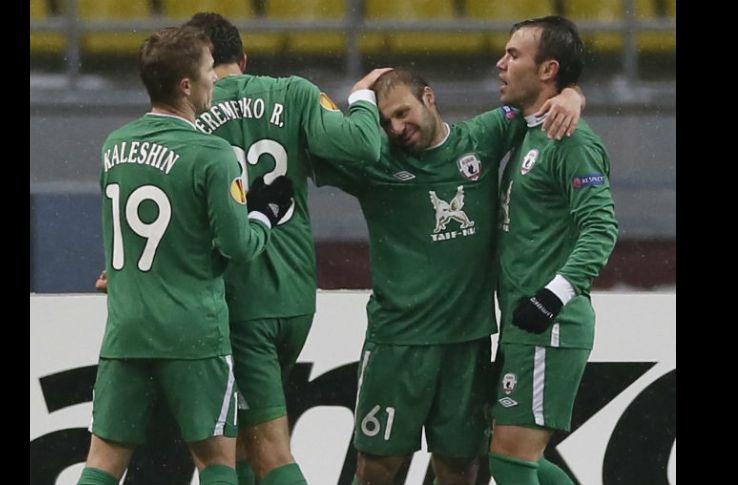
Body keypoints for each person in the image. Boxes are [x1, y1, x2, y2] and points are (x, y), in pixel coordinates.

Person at [310, 68, 584, 485]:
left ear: (429, 97)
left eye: (403, 112)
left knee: (459, 470)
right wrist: (358, 98)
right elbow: (310, 141)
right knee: (378, 470)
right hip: (398, 344)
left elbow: (537, 100)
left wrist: (572, 95)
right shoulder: (374, 160)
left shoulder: (483, 137)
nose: (397, 128)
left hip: (468, 344)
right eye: (385, 121)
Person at [77, 25, 294, 485]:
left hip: (127, 331)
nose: (214, 79)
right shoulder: (211, 153)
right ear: (186, 85)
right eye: (206, 71)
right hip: (193, 334)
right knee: (215, 460)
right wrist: (264, 215)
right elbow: (239, 246)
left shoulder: (114, 146)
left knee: (102, 462)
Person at [181, 12, 389, 485]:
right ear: (245, 58)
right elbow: (363, 146)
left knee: (264, 451)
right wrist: (360, 98)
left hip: (236, 296)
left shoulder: (187, 112)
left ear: (197, 64)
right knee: (246, 450)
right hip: (295, 294)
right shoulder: (292, 93)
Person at [489, 17, 618, 485]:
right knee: (508, 455)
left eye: (514, 55)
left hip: (550, 322)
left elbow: (602, 227)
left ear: (548, 70)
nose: (500, 64)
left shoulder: (572, 140)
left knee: (509, 458)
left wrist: (553, 296)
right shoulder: (530, 130)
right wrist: (573, 92)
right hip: (525, 323)